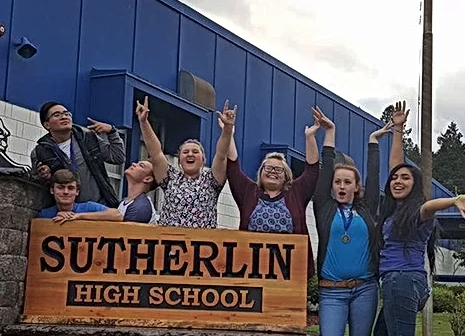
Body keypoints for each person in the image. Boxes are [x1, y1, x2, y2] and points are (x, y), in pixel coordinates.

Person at [373, 101, 465, 336]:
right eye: (395, 179)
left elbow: (429, 207)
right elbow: (395, 165)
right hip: (402, 282)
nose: (398, 181)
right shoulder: (396, 210)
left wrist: (453, 201)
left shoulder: (417, 211)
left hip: (402, 281)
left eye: (406, 178)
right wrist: (398, 130)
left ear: (415, 186)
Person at [312, 107, 392, 336]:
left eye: (347, 182)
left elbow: (374, 176)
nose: (342, 186)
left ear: (356, 187)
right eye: (337, 182)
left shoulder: (366, 208)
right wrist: (330, 132)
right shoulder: (324, 207)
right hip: (331, 291)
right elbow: (326, 168)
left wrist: (373, 141)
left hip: (365, 289)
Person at [225, 106, 320, 276]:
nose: (272, 172)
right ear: (260, 173)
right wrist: (228, 132)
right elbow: (232, 167)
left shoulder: (296, 192)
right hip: (252, 270)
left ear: (286, 176)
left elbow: (312, 170)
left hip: (290, 272)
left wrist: (310, 137)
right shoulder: (248, 191)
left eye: (278, 170)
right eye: (268, 168)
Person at [135, 96, 235, 228]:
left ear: (203, 160)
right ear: (180, 160)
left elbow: (221, 155)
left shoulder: (211, 180)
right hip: (170, 244)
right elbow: (156, 152)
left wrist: (227, 128)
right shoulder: (170, 177)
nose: (190, 154)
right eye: (185, 152)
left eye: (195, 152)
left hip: (202, 245)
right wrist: (144, 122)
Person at [30, 101, 125, 207]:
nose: (64, 117)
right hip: (65, 211)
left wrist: (111, 131)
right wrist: (45, 176)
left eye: (67, 114)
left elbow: (118, 157)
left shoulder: (88, 139)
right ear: (47, 125)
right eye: (57, 115)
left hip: (99, 206)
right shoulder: (40, 152)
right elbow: (38, 184)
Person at [38, 169, 123, 225]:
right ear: (52, 190)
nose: (66, 192)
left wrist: (78, 216)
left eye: (70, 188)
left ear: (77, 192)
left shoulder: (89, 207)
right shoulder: (44, 214)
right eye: (61, 187)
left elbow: (117, 215)